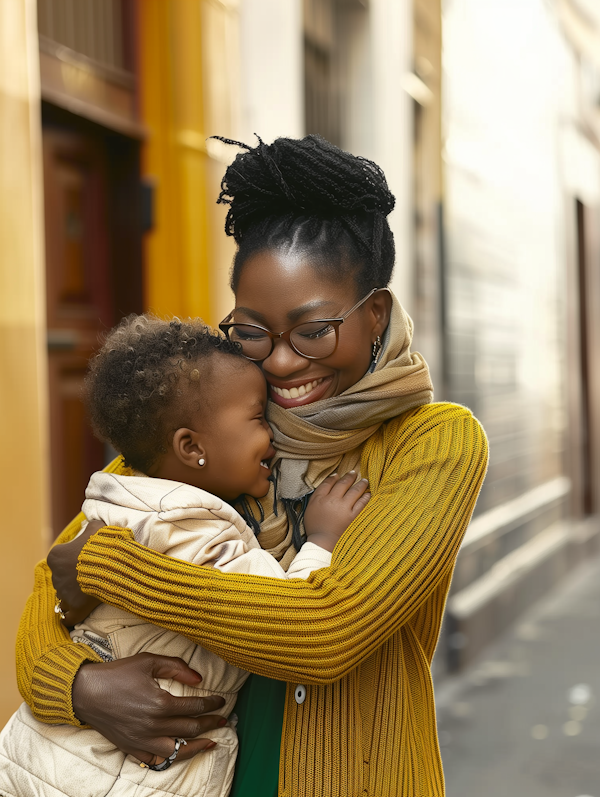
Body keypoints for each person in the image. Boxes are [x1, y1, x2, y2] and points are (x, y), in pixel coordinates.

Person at [15, 135, 488, 797]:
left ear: (374, 314)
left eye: (313, 329)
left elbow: (324, 631)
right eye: (252, 330)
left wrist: (110, 566)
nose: (283, 361)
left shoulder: (431, 444)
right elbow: (47, 605)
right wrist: (81, 686)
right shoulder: (205, 427)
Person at [0, 314, 369, 797]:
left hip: (40, 754)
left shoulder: (117, 501)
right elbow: (281, 614)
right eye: (259, 418)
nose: (274, 437)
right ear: (191, 446)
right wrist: (321, 541)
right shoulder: (197, 530)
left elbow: (59, 585)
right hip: (121, 777)